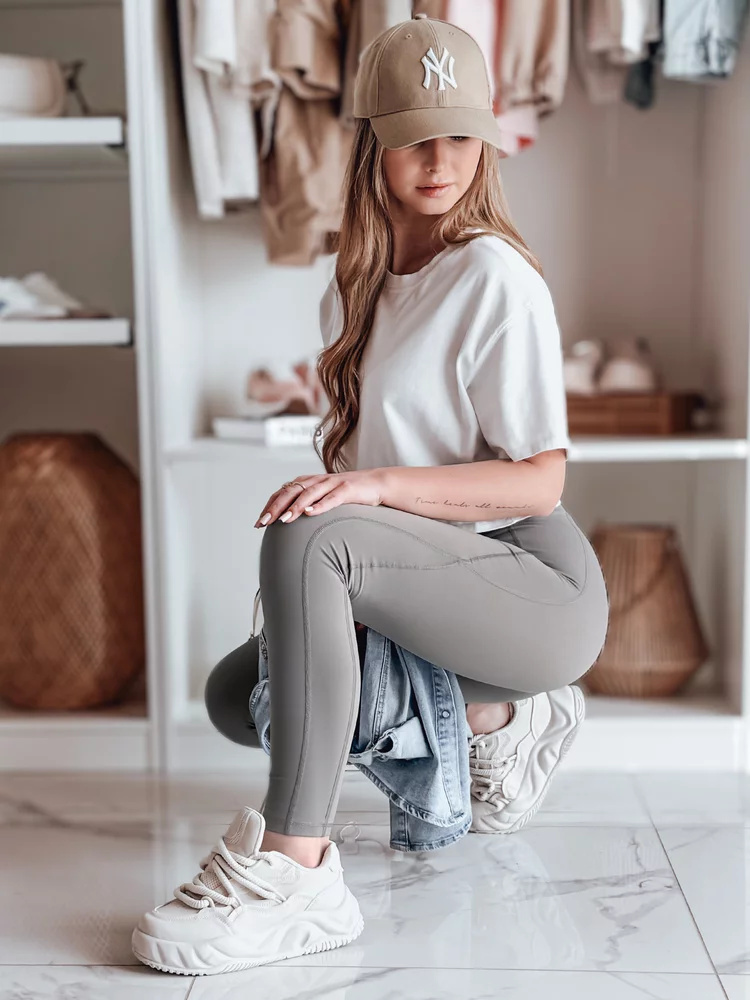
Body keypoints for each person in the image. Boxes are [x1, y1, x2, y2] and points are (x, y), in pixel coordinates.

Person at [132, 13, 610, 977]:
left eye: (460, 136)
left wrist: (372, 487)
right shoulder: (353, 288)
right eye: (414, 137)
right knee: (242, 699)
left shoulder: (496, 277)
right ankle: (496, 724)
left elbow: (541, 477)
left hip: (533, 586)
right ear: (372, 146)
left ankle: (297, 875)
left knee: (315, 537)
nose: (440, 161)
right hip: (425, 583)